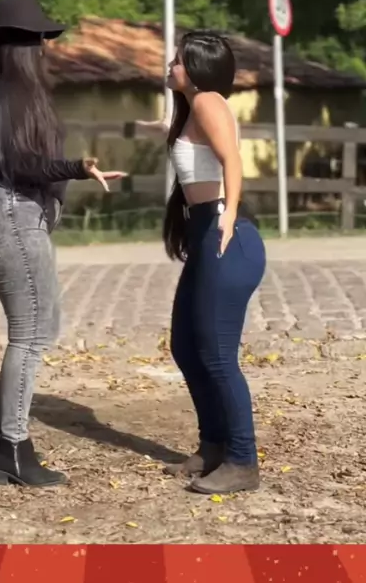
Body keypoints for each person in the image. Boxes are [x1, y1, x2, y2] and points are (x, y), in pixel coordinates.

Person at [0, 0, 126, 488]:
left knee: (41, 325)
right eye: (39, 39)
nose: (45, 47)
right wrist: (75, 168)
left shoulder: (15, 94)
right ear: (21, 46)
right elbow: (20, 165)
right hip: (9, 213)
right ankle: (13, 449)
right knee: (32, 333)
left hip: (15, 213)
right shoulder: (0, 98)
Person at [137, 30, 266, 494]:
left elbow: (232, 160)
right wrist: (158, 127)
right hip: (205, 233)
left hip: (226, 235)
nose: (170, 66)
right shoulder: (194, 108)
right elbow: (197, 153)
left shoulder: (209, 101)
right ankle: (213, 445)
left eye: (177, 60)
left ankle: (242, 461)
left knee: (216, 355)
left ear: (196, 68)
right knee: (186, 347)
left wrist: (227, 215)